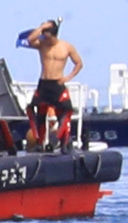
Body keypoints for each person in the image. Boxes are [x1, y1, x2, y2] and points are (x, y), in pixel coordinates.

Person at [23, 21, 84, 151]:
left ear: (55, 35)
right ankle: (40, 142)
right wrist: (41, 27)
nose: (46, 40)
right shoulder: (42, 45)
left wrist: (68, 77)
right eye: (44, 36)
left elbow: (78, 63)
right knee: (37, 111)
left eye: (48, 37)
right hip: (44, 82)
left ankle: (61, 141)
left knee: (66, 110)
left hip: (57, 83)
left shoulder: (66, 47)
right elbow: (29, 40)